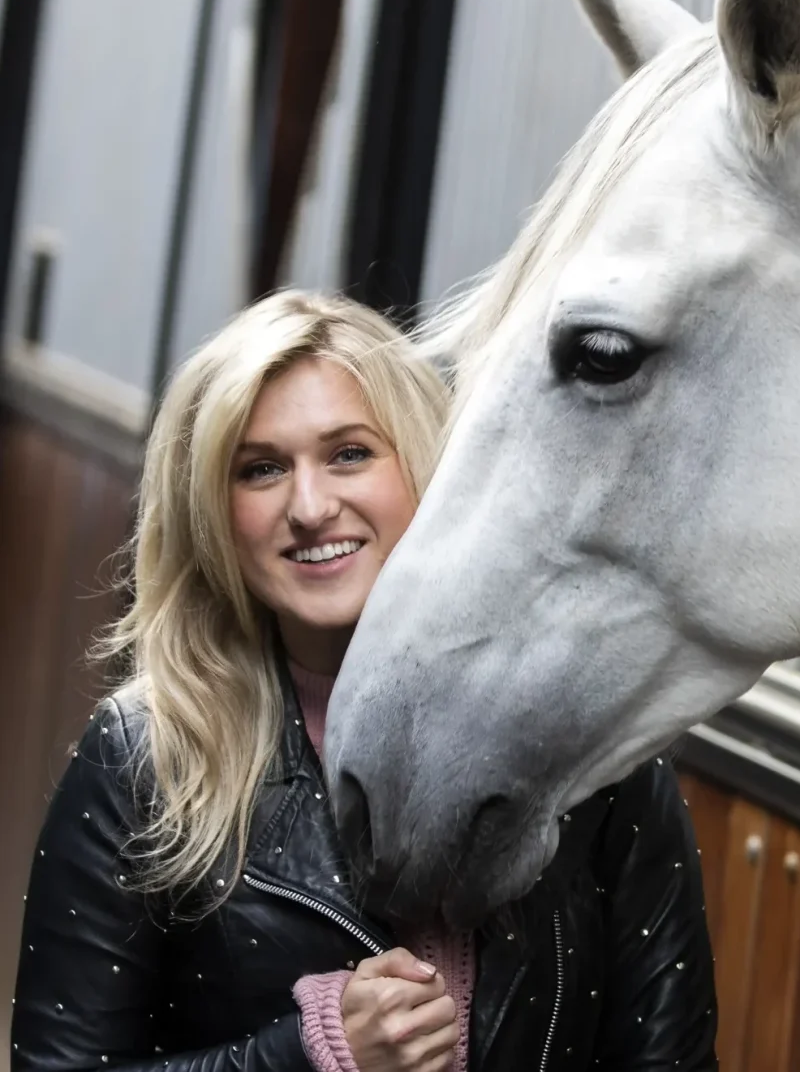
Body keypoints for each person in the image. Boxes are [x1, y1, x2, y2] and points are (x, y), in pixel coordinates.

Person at [10, 289, 718, 1072]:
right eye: (261, 469)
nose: (310, 506)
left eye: (349, 453)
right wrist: (314, 1053)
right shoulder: (144, 755)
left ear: (423, 465)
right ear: (216, 510)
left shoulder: (593, 752)